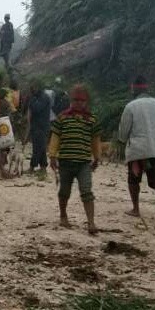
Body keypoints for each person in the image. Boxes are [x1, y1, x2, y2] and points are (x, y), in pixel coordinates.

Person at [118, 76, 155, 226]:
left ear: (134, 89)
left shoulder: (131, 106)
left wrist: (122, 141)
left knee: (133, 179)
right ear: (147, 88)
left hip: (139, 150)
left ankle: (136, 208)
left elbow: (124, 131)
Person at [48, 84, 101, 234]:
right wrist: (52, 156)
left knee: (86, 191)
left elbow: (95, 140)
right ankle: (63, 216)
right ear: (71, 100)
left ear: (86, 101)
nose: (79, 102)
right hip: (65, 161)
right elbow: (55, 138)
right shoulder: (62, 117)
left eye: (82, 100)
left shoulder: (91, 119)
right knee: (64, 191)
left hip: (84, 163)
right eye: (76, 99)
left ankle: (91, 222)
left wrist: (97, 158)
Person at [26, 80, 54, 172]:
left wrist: (30, 102)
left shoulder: (43, 98)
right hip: (37, 126)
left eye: (33, 88)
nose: (31, 90)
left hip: (42, 126)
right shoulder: (37, 97)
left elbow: (37, 108)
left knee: (37, 148)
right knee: (41, 147)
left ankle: (32, 167)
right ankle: (43, 167)